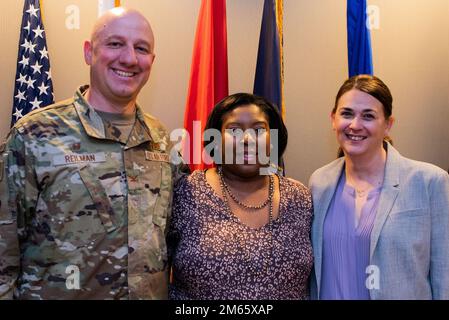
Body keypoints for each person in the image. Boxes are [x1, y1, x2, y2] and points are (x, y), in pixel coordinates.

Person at [0, 7, 186, 299]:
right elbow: (3, 252)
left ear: (152, 60)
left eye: (141, 48)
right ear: (89, 52)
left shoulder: (161, 140)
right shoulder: (35, 136)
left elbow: (178, 238)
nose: (129, 58)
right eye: (115, 44)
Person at [309, 74, 449, 299]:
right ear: (333, 119)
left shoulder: (429, 182)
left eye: (368, 116)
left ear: (388, 125)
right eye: (346, 114)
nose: (355, 125)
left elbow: (445, 274)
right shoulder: (319, 182)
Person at [167, 93, 313, 299]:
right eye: (234, 130)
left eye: (259, 130)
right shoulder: (186, 193)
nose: (247, 139)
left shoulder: (300, 198)